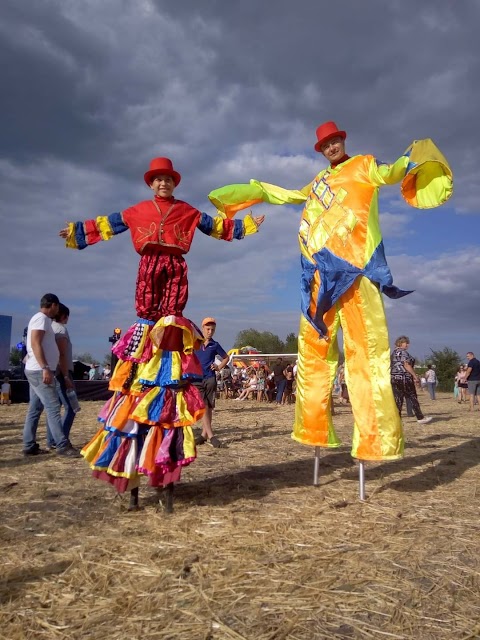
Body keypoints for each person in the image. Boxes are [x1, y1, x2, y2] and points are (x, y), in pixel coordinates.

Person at [210, 121, 452, 461]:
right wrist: (254, 193)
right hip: (318, 279)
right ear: (321, 150)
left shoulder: (364, 164)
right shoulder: (318, 181)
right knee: (313, 355)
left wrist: (412, 160)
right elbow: (290, 195)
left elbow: (389, 173)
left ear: (342, 141)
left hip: (356, 274)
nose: (331, 148)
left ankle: (376, 441)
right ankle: (314, 430)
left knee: (366, 355)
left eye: (334, 141)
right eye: (325, 145)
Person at [60, 158, 264, 492]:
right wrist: (77, 233)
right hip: (149, 263)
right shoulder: (138, 210)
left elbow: (214, 226)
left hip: (175, 266)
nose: (163, 184)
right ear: (151, 184)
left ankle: (167, 352)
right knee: (146, 317)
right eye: (158, 180)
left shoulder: (186, 210)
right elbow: (108, 224)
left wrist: (244, 227)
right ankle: (144, 357)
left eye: (168, 179)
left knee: (172, 319)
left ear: (174, 183)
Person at [22, 293, 79, 457]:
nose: (58, 310)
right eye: (57, 306)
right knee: (53, 407)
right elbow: (35, 342)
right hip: (40, 371)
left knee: (35, 408)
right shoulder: (41, 318)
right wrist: (45, 367)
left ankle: (29, 445)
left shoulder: (43, 320)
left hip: (37, 369)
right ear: (53, 305)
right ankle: (62, 445)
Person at [194, 318, 230, 447]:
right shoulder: (195, 343)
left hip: (210, 378)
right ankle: (211, 436)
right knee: (203, 406)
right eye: (208, 329)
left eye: (213, 330)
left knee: (209, 406)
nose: (210, 332)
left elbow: (226, 357)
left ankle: (203, 435)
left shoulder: (215, 345)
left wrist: (218, 367)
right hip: (197, 379)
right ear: (202, 328)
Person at [46, 303, 77, 450]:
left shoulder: (49, 328)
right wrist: (65, 376)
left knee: (55, 408)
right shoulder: (61, 329)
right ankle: (61, 440)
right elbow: (62, 355)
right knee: (71, 407)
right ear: (64, 316)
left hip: (52, 371)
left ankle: (52, 439)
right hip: (62, 372)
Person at [390, 336, 432, 425]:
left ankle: (397, 420)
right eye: (406, 343)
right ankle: (420, 417)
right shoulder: (403, 352)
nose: (408, 345)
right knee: (412, 396)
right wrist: (415, 376)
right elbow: (406, 365)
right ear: (401, 343)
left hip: (394, 378)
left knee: (398, 399)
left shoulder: (393, 353)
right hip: (405, 377)